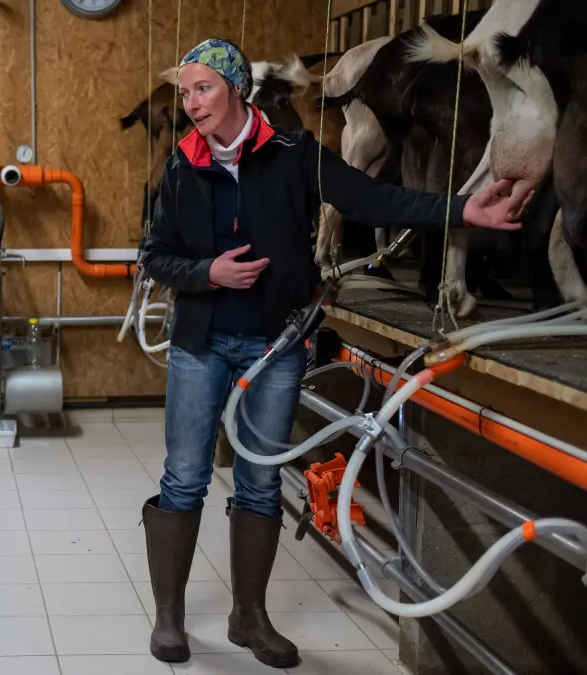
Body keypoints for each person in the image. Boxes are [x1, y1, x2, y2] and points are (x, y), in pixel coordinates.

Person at [140, 38, 531, 668]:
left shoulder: (294, 156)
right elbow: (155, 254)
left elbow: (374, 199)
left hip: (277, 343)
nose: (190, 103)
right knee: (183, 478)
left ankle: (250, 617)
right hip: (200, 345)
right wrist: (207, 273)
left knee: (261, 482)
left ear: (237, 88)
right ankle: (169, 618)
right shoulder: (182, 166)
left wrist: (462, 207)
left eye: (202, 88)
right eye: (184, 92)